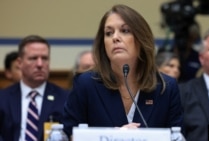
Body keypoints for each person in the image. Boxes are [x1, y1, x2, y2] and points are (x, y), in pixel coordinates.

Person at [62, 4, 183, 139]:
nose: (115, 37)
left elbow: (176, 136)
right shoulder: (86, 84)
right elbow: (67, 135)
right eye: (108, 33)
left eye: (125, 31)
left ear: (141, 39)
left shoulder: (165, 87)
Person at [0, 35, 69, 141]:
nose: (40, 64)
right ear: (20, 63)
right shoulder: (3, 98)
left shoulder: (65, 98)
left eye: (45, 58)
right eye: (33, 58)